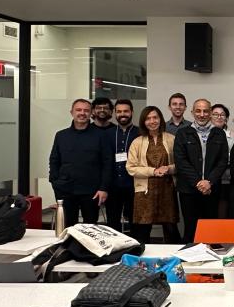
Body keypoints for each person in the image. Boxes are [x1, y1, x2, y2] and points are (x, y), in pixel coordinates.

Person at [49, 99, 112, 227]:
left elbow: (107, 163)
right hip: (65, 190)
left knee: (90, 228)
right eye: (78, 110)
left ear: (91, 113)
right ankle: (68, 248)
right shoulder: (61, 135)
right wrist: (55, 182)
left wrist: (103, 188)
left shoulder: (101, 136)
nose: (82, 113)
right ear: (71, 112)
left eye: (86, 110)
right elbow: (54, 160)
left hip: (92, 192)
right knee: (68, 227)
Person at [173, 99, 229, 243]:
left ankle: (210, 263)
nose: (202, 114)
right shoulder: (182, 133)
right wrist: (198, 182)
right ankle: (190, 262)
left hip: (212, 189)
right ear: (192, 112)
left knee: (210, 229)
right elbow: (181, 161)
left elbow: (222, 162)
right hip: (189, 190)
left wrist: (209, 182)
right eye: (198, 111)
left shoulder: (219, 134)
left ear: (210, 113)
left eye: (205, 111)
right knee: (191, 229)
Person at [126, 106, 180, 244]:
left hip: (167, 190)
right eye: (148, 118)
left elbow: (181, 165)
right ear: (143, 122)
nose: (152, 121)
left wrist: (168, 168)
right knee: (142, 231)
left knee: (170, 229)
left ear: (160, 119)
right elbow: (130, 168)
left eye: (155, 117)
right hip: (144, 192)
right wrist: (153, 171)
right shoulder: (137, 142)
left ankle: (173, 261)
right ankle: (140, 262)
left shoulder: (172, 139)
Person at [105, 99, 139, 233]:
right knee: (112, 223)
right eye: (119, 111)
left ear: (131, 112)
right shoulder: (107, 134)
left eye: (126, 111)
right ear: (114, 113)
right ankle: (116, 252)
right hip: (113, 186)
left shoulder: (140, 133)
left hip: (134, 186)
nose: (122, 114)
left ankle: (135, 249)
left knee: (135, 222)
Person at [211, 103, 234, 218]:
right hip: (209, 179)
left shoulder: (233, 136)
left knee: (224, 210)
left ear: (226, 119)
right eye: (216, 114)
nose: (219, 117)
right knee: (210, 211)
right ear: (210, 117)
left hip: (227, 179)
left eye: (222, 115)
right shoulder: (204, 134)